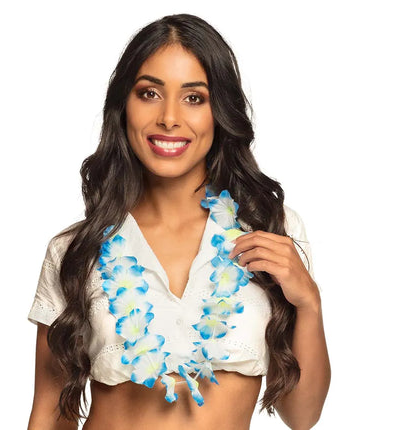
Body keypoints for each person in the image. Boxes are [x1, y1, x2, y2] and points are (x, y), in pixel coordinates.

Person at [27, 13, 330, 430]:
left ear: (219, 112)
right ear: (123, 106)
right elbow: (49, 412)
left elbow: (303, 416)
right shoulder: (75, 251)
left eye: (194, 98)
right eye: (149, 93)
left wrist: (309, 302)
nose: (169, 117)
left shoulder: (270, 230)